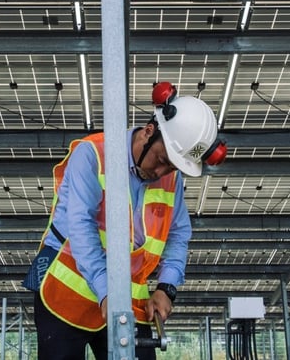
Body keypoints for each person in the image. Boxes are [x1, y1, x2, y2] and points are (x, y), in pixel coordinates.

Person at [23, 81, 227, 360]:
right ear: (148, 132)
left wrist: (167, 288)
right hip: (67, 293)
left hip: (126, 298)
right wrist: (108, 293)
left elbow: (178, 235)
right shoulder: (92, 154)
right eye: (162, 160)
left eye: (173, 166)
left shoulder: (171, 176)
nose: (163, 171)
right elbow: (81, 227)